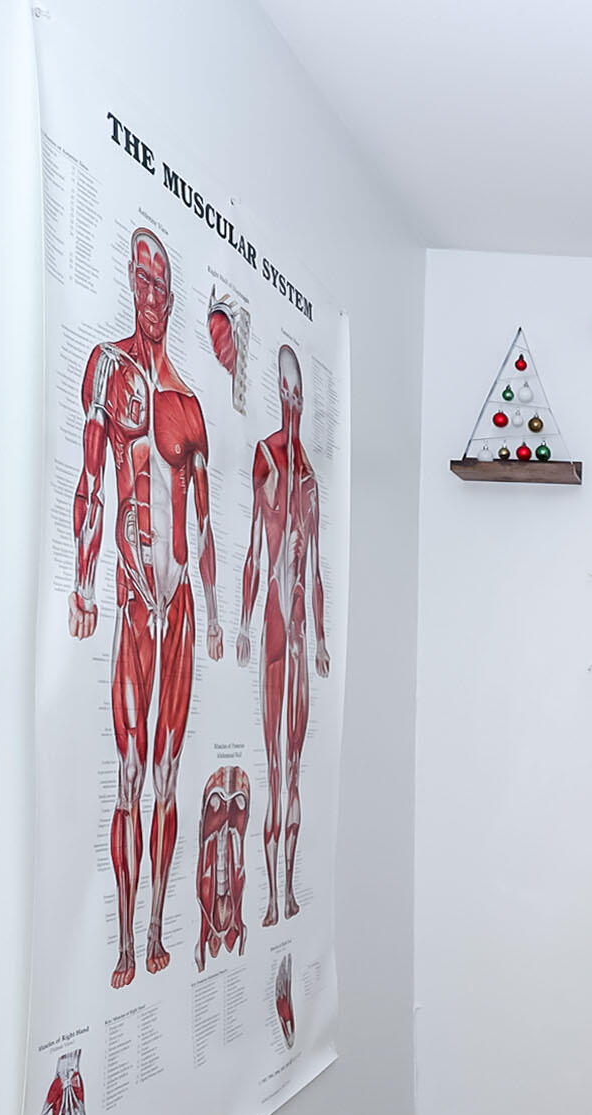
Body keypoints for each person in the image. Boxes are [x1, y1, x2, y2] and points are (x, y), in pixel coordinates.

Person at [68, 227, 222, 986]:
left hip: (180, 603)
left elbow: (202, 519)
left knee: (167, 772)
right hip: (133, 600)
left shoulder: (189, 406)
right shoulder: (109, 369)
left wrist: (218, 613)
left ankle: (157, 929)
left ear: (173, 299)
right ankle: (127, 942)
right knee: (130, 770)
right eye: (145, 284)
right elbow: (91, 478)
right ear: (132, 284)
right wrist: (81, 578)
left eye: (165, 290)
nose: (154, 300)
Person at [239, 344, 329, 923]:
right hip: (274, 627)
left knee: (293, 766)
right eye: (286, 390)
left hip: (298, 634)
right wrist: (244, 622)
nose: (292, 400)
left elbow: (315, 562)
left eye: (300, 392)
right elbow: (254, 544)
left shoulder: (312, 476)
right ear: (277, 390)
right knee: (274, 768)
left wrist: (320, 636)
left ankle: (287, 891)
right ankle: (271, 896)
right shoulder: (267, 457)